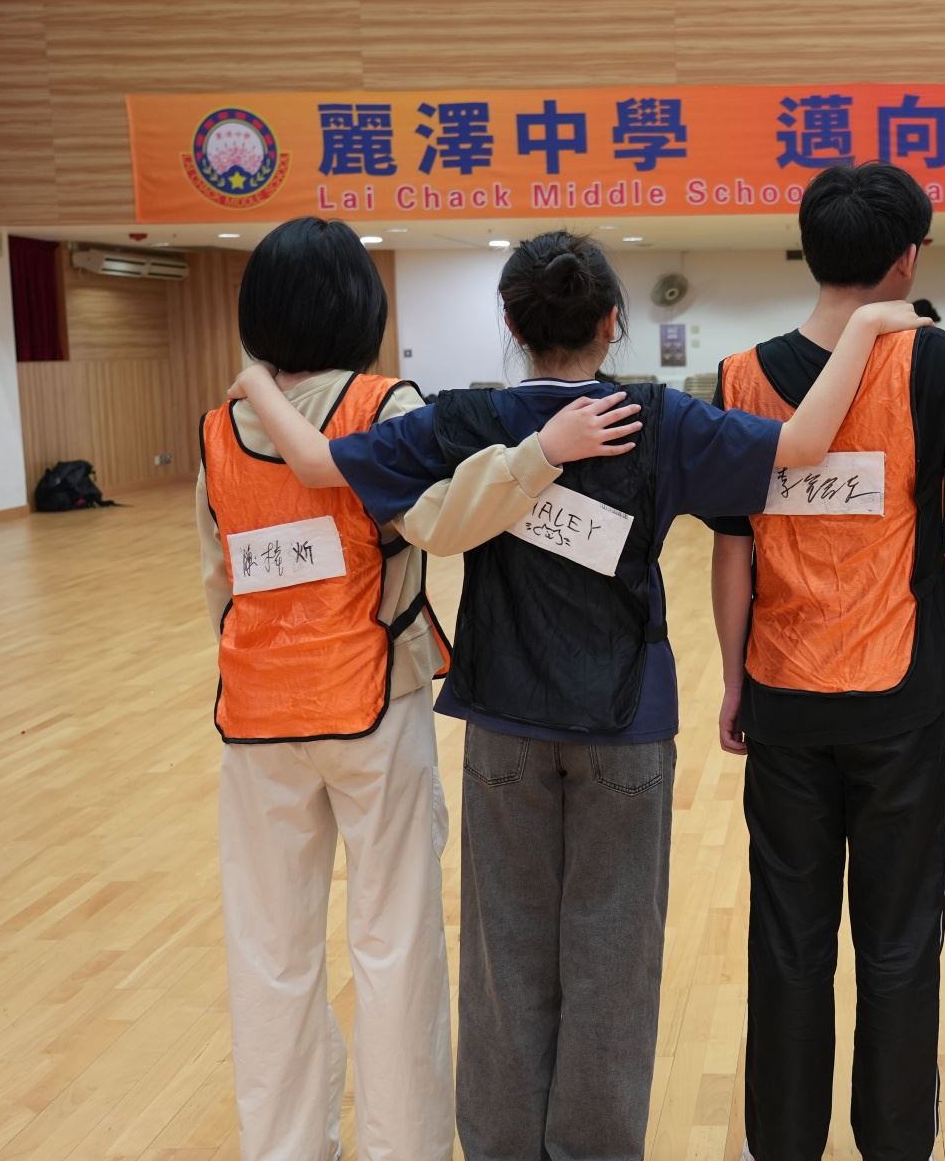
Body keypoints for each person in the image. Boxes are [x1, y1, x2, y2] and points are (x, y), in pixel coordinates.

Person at [231, 230, 928, 1161]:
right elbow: (804, 444)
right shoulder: (658, 418)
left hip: (503, 725)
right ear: (611, 322)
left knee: (504, 959)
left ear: (513, 324)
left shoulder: (467, 417)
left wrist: (256, 383)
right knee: (614, 964)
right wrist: (870, 325)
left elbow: (318, 464)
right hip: (625, 730)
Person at [198, 216, 640, 1161]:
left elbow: (219, 579)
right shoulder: (381, 404)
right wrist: (537, 457)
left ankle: (283, 1149)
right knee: (393, 944)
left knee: (268, 953)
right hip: (372, 703)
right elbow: (441, 521)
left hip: (256, 716)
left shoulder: (222, 426)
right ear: (360, 310)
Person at [706, 162, 945, 1161]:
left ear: (812, 251)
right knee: (899, 941)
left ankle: (782, 1144)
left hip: (782, 693)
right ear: (907, 258)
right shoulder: (929, 358)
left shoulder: (739, 375)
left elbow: (733, 549)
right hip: (901, 701)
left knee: (788, 940)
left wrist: (732, 679)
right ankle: (896, 1143)